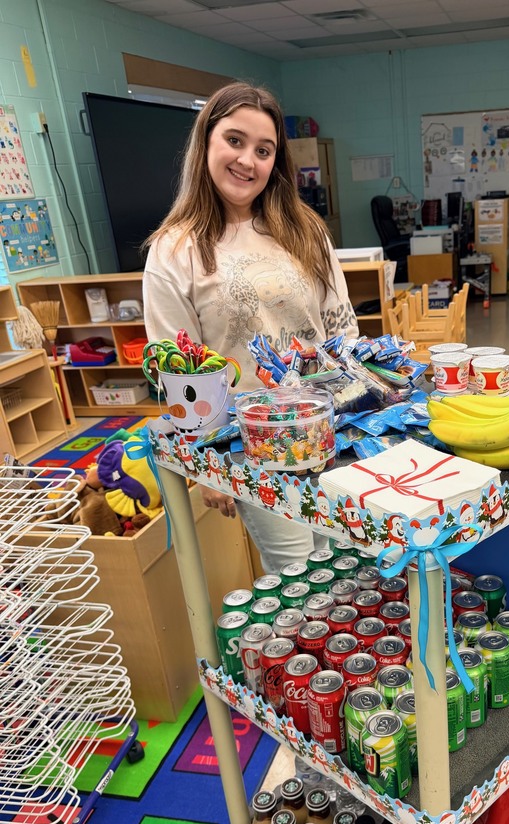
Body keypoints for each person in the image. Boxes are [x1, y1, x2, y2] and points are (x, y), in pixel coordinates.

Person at [143, 82, 359, 572]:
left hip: (330, 432)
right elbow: (178, 369)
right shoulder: (174, 251)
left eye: (264, 150)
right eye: (235, 141)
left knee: (347, 563)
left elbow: (340, 329)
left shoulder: (304, 229)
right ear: (206, 144)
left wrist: (359, 415)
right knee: (296, 571)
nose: (248, 160)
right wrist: (211, 466)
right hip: (252, 450)